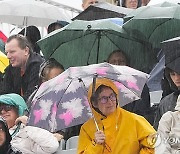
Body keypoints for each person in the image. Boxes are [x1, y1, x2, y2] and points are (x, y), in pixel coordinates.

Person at [77, 78, 156, 153]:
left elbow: (154, 144)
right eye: (104, 99)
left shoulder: (134, 120)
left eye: (112, 96)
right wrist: (95, 144)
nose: (110, 102)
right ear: (94, 103)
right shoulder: (86, 129)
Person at [107, 50, 153, 124]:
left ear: (127, 64)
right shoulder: (103, 87)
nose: (117, 64)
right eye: (113, 61)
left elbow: (143, 112)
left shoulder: (139, 85)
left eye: (121, 61)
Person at [1, 34, 44, 101]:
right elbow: (4, 93)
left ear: (26, 51)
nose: (8, 56)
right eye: (7, 53)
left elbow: (31, 97)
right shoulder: (12, 68)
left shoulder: (38, 66)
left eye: (12, 52)